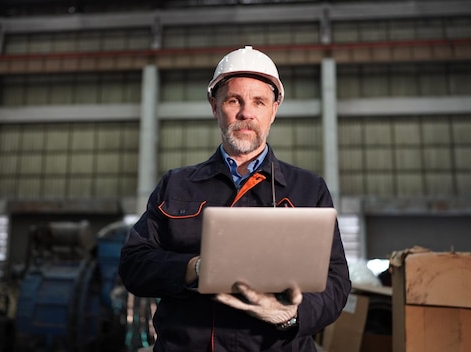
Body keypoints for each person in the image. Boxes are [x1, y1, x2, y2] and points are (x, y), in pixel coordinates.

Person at [118, 45, 351, 351]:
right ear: (215, 106)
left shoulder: (308, 189)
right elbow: (134, 265)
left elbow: (336, 281)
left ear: (273, 110)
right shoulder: (176, 186)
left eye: (259, 102)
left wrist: (293, 315)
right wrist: (195, 268)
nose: (246, 113)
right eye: (234, 100)